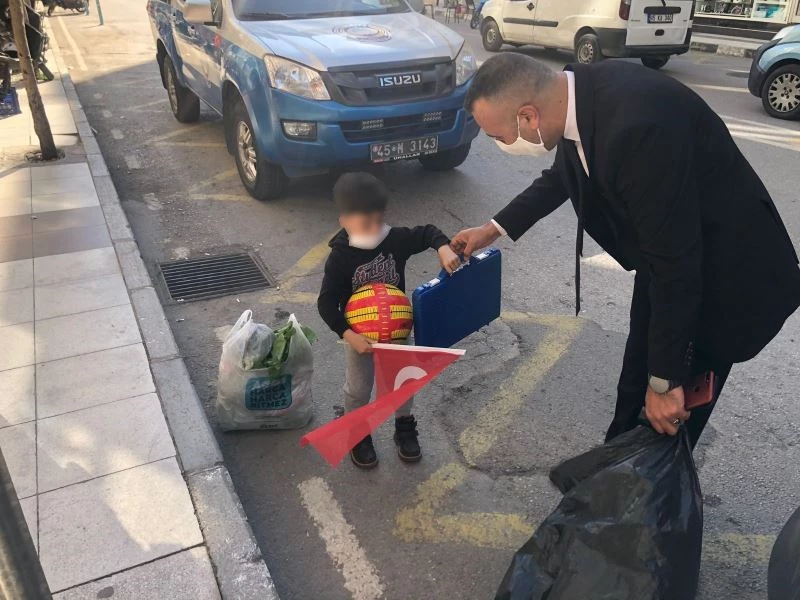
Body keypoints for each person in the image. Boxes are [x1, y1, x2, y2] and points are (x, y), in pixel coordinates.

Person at [451, 53, 800, 447]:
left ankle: (649, 496)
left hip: (726, 278)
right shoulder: (575, 96)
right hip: (669, 263)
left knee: (671, 411)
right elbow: (564, 175)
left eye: (499, 137)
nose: (500, 145)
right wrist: (492, 229)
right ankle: (613, 468)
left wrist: (666, 380)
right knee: (637, 374)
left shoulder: (639, 130)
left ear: (528, 116)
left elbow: (678, 265)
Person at [318, 172, 461, 468]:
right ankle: (358, 432)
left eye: (377, 220)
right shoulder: (340, 257)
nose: (373, 229)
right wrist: (348, 335)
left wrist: (443, 246)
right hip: (360, 336)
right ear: (343, 220)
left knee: (402, 383)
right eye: (364, 223)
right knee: (358, 389)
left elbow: (428, 232)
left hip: (398, 331)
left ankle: (404, 427)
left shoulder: (394, 239)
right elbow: (326, 303)